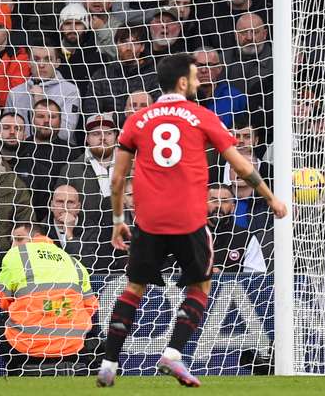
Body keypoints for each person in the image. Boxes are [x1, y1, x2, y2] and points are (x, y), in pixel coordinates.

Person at [96, 53, 287, 388]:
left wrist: (117, 220)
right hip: (189, 219)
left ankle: (109, 362)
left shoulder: (137, 120)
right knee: (201, 284)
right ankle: (172, 353)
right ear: (183, 82)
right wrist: (271, 198)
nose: (199, 81)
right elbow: (240, 166)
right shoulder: (201, 116)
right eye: (196, 76)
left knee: (134, 288)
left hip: (149, 220)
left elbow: (117, 179)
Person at [0, 228, 98, 371]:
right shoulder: (73, 261)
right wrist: (56, 309)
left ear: (32, 238)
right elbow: (91, 307)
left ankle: (15, 372)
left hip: (27, 346)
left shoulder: (17, 255)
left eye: (18, 239)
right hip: (72, 346)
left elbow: (3, 300)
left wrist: (39, 308)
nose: (14, 245)